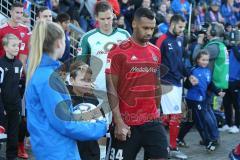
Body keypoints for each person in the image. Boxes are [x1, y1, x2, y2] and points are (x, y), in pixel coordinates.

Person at [25, 21, 107, 159]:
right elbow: (65, 124)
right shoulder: (48, 78)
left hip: (52, 149)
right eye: (65, 39)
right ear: (59, 43)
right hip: (57, 152)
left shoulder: (44, 73)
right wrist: (99, 127)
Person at [105, 7, 168, 160]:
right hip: (126, 123)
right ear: (134, 24)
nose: (149, 32)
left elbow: (156, 82)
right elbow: (110, 88)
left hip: (151, 120)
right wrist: (118, 122)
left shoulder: (155, 51)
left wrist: (158, 110)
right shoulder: (117, 51)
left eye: (152, 28)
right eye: (145, 28)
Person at [78, 1, 130, 123]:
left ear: (113, 15)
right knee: (101, 129)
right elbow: (79, 66)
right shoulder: (88, 38)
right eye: (102, 19)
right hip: (98, 92)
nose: (106, 22)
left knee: (121, 128)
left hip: (121, 92)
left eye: (108, 18)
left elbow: (131, 63)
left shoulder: (125, 35)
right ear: (96, 17)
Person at [155, 14, 188, 159]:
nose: (182, 30)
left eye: (183, 27)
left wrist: (188, 74)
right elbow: (154, 60)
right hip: (166, 83)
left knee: (169, 116)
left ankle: (157, 143)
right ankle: (171, 147)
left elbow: (179, 63)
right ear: (172, 24)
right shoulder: (162, 39)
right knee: (175, 116)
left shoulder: (179, 40)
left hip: (177, 82)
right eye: (180, 27)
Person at [179, 50, 225, 151]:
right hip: (193, 100)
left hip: (202, 99)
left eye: (207, 60)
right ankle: (207, 142)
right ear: (198, 60)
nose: (205, 62)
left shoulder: (208, 70)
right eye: (203, 60)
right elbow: (186, 85)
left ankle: (179, 138)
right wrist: (191, 83)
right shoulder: (193, 70)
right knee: (201, 121)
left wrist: (218, 92)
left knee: (191, 121)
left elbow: (210, 84)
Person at [68, 60, 103, 160]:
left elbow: (101, 122)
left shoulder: (93, 99)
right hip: (72, 150)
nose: (87, 84)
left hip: (91, 152)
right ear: (72, 80)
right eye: (83, 80)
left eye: (89, 80)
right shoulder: (64, 99)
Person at [0, 34, 23, 160]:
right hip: (2, 106)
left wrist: (19, 104)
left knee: (13, 134)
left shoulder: (19, 64)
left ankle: (12, 156)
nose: (17, 48)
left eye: (18, 45)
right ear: (5, 47)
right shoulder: (1, 64)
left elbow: (18, 86)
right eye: (13, 45)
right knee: (1, 134)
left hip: (15, 105)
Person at [222, 30, 240, 134]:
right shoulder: (232, 47)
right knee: (226, 103)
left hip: (237, 80)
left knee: (237, 104)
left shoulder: (235, 48)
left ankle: (237, 125)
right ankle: (227, 123)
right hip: (227, 79)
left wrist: (233, 46)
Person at [0, 2, 30, 66]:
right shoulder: (1, 30)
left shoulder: (25, 29)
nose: (19, 15)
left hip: (20, 68)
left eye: (21, 13)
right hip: (4, 68)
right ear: (11, 12)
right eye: (17, 12)